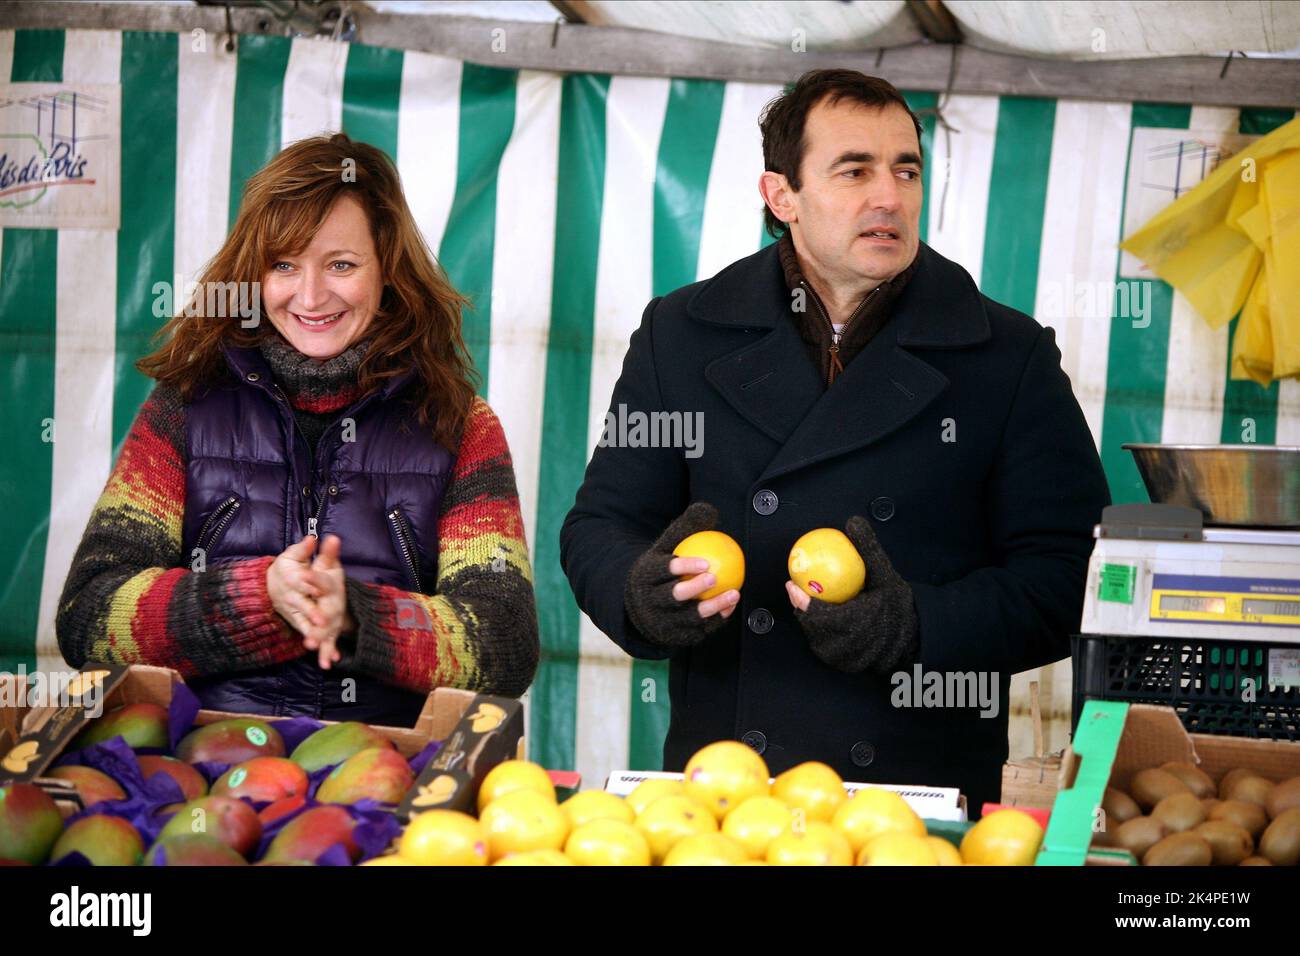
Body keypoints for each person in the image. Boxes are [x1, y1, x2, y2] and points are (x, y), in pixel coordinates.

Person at [560, 69, 1111, 814]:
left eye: (905, 170)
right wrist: (639, 591)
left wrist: (917, 625)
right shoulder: (681, 334)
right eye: (854, 170)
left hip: (917, 802)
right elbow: (601, 525)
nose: (888, 196)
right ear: (780, 195)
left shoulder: (1006, 356)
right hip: (724, 793)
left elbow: (1067, 576)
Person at [57, 133, 539, 725]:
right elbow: (88, 617)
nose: (310, 297)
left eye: (340, 264)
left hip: (394, 776)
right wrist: (254, 599)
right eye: (284, 265)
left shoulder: (462, 426)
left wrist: (358, 615)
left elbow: (505, 645)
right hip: (202, 772)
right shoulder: (184, 409)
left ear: (387, 268)